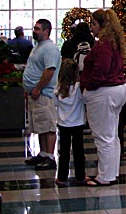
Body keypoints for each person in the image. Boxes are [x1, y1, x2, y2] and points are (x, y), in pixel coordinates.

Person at [80, 9, 126, 186]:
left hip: (104, 92)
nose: (91, 28)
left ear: (102, 25)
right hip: (117, 90)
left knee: (103, 137)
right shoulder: (113, 43)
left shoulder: (103, 45)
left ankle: (105, 176)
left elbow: (100, 71)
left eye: (93, 24)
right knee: (111, 135)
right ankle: (111, 172)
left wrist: (88, 87)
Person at [22, 19, 61, 170]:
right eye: (34, 28)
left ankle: (50, 156)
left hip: (44, 94)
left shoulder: (50, 49)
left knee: (48, 125)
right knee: (40, 125)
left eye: (38, 29)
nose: (34, 31)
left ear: (46, 31)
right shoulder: (38, 47)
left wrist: (38, 88)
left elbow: (49, 70)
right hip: (34, 93)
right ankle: (43, 153)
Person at [55, 59, 86, 187]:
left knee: (64, 151)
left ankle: (62, 177)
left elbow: (55, 104)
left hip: (63, 124)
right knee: (79, 151)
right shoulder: (79, 88)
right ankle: (80, 176)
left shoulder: (58, 88)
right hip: (78, 123)